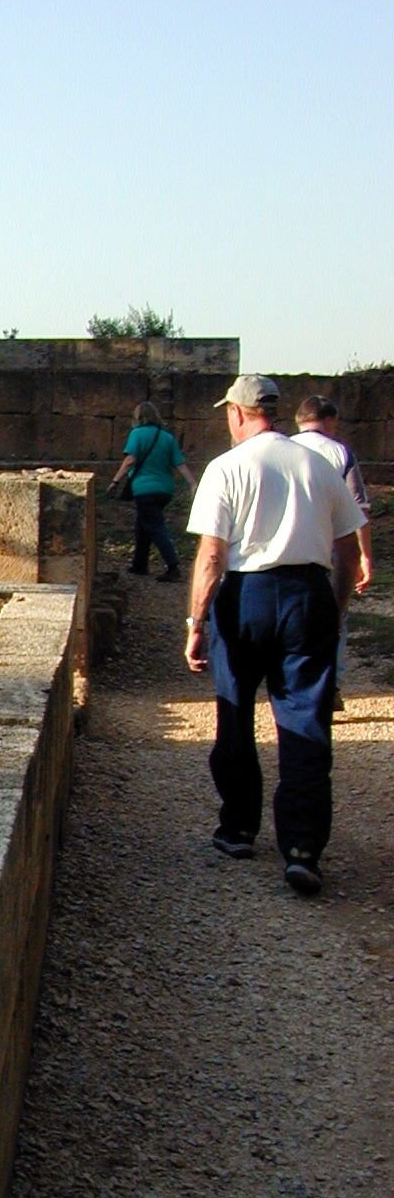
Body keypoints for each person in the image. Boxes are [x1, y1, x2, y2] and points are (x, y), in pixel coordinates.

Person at [184, 374, 364, 895]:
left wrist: (197, 622)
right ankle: (303, 847)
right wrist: (334, 609)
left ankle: (239, 827)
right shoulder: (319, 464)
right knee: (306, 718)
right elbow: (347, 551)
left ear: (238, 413)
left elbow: (212, 555)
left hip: (247, 593)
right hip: (308, 592)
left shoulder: (227, 467)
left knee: (235, 712)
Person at [291, 394, 373, 708]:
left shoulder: (284, 449)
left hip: (293, 546)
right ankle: (331, 684)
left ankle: (298, 682)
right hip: (332, 546)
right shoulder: (340, 452)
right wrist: (365, 556)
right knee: (336, 613)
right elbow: (359, 510)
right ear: (329, 420)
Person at [108, 401, 198, 581]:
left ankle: (173, 566)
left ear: (138, 417)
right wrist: (192, 483)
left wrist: (115, 481)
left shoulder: (137, 434)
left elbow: (130, 460)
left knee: (155, 526)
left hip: (144, 489)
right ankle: (140, 564)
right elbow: (180, 464)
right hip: (165, 489)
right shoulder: (167, 438)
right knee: (143, 524)